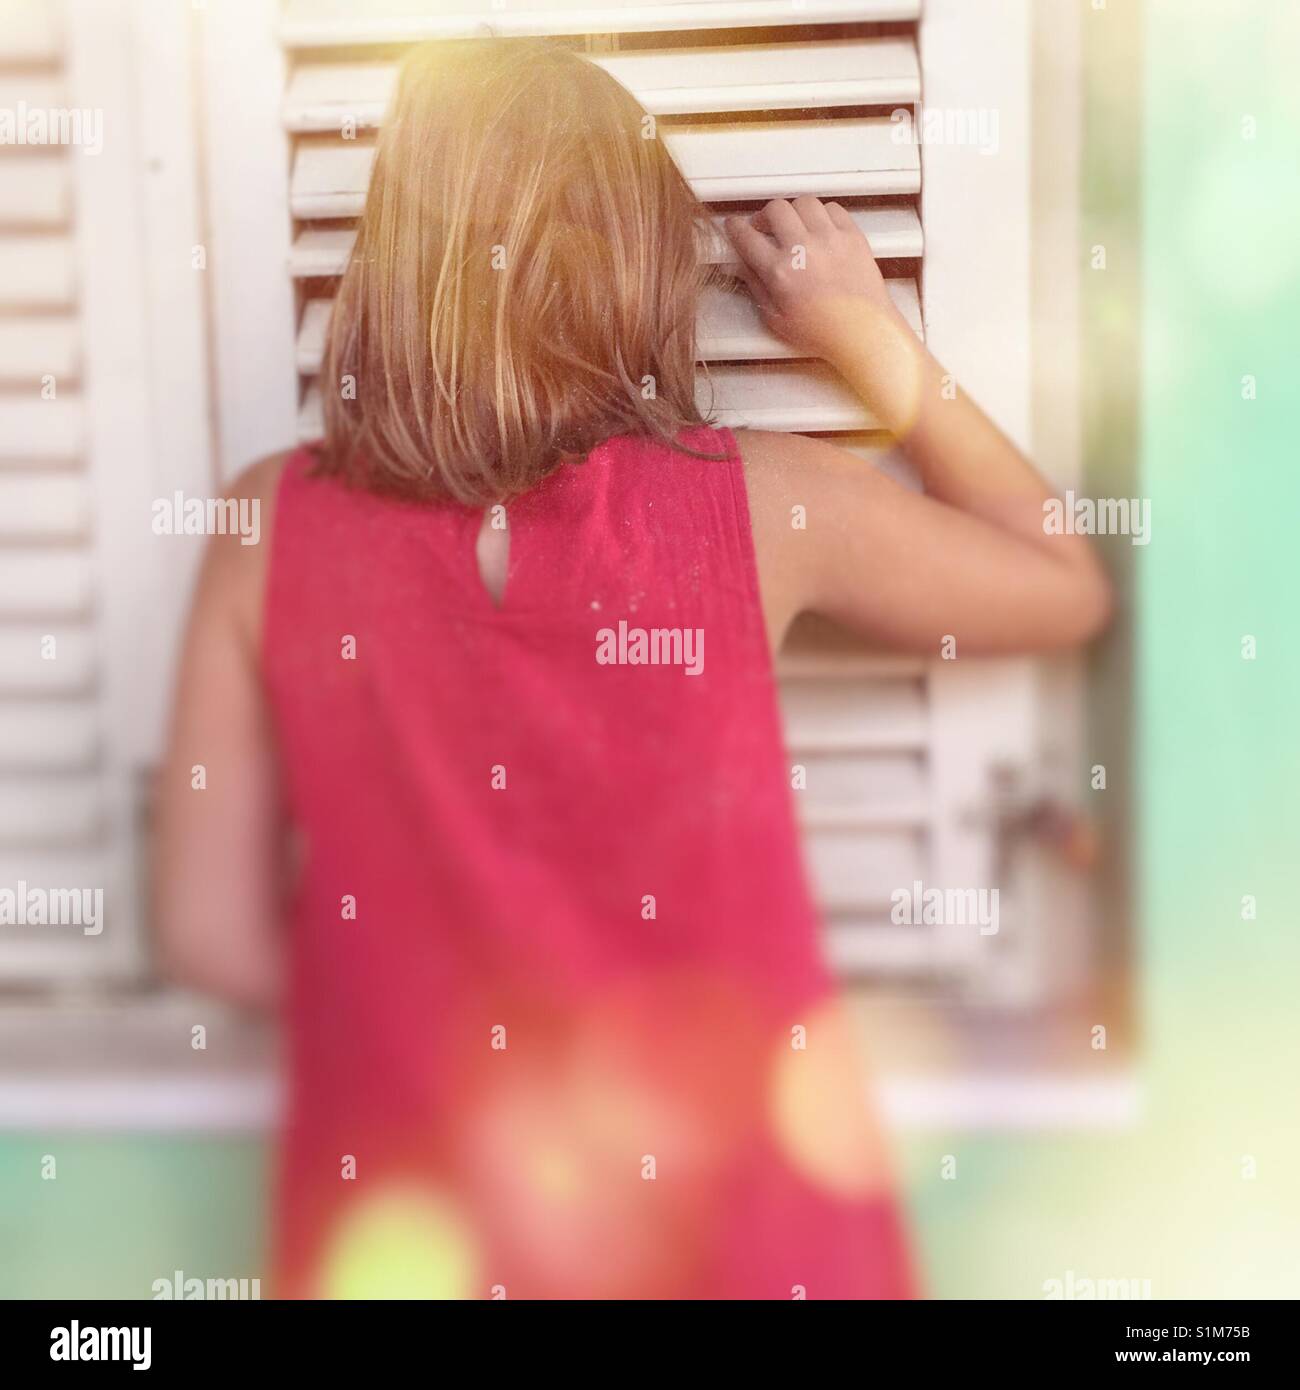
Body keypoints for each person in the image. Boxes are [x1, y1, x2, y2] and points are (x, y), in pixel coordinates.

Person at [155, 38, 1111, 1299]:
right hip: (752, 1238)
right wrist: (870, 338)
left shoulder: (264, 531)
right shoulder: (761, 505)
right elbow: (1062, 585)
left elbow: (210, 932)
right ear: (645, 271)